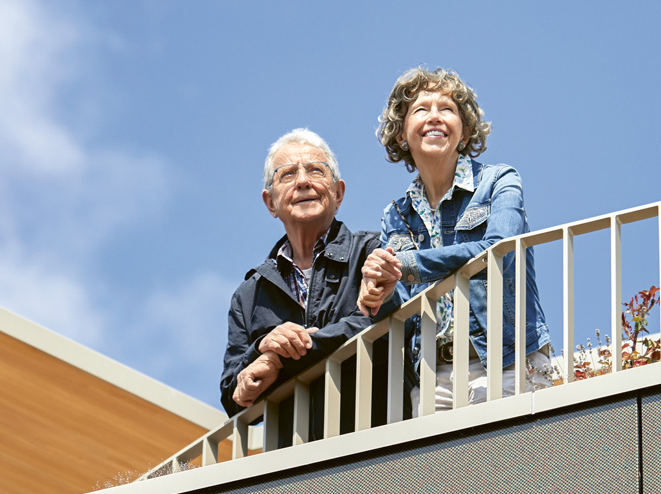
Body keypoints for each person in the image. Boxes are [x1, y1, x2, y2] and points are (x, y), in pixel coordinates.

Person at [358, 67, 553, 416]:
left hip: (506, 360)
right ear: (402, 135)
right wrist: (379, 293)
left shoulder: (498, 182)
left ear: (464, 132)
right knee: (443, 473)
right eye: (421, 109)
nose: (435, 116)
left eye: (447, 109)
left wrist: (407, 265)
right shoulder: (395, 215)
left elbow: (498, 252)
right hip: (434, 377)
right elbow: (400, 306)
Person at [220, 128, 389, 440]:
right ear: (270, 203)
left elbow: (380, 321)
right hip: (295, 464)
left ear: (338, 193)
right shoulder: (248, 295)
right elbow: (233, 395)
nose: (302, 181)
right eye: (287, 174)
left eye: (315, 170)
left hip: (376, 438)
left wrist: (278, 358)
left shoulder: (374, 250)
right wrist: (260, 350)